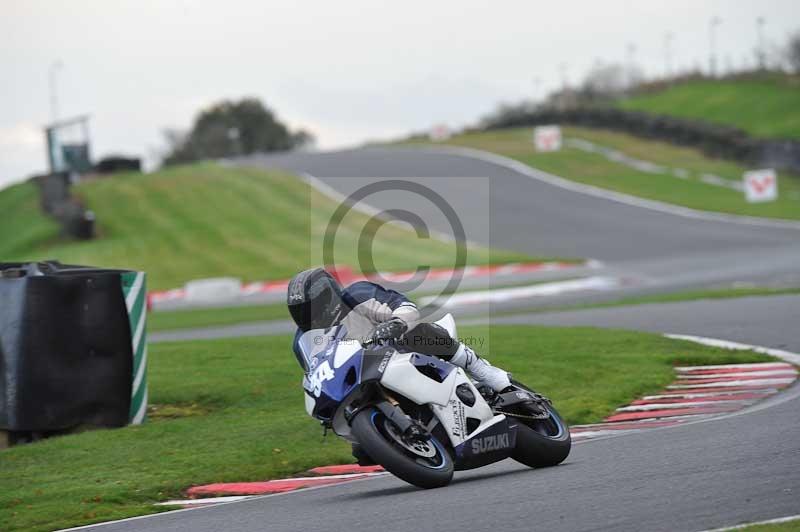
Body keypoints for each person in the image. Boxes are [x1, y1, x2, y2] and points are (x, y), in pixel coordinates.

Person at [287, 267, 512, 393]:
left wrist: (395, 324)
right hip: (363, 380)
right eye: (299, 312)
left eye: (309, 309)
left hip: (400, 352)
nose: (306, 317)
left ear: (327, 298)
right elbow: (317, 378)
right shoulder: (302, 342)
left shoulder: (357, 295)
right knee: (362, 451)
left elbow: (404, 307)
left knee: (416, 331)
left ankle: (481, 370)